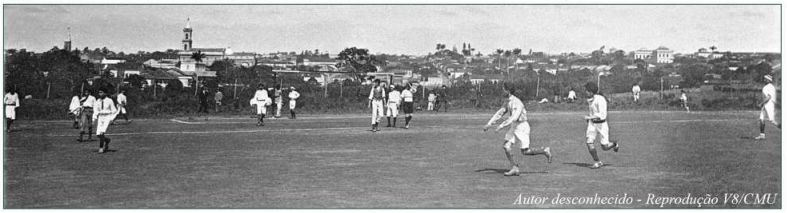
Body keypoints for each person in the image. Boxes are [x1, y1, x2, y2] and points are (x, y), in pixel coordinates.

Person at [484, 83, 553, 176]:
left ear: (508, 91)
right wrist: (489, 124)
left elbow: (514, 117)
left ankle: (544, 150)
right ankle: (514, 168)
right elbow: (500, 113)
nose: (502, 91)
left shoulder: (517, 102)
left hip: (522, 127)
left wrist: (500, 126)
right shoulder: (507, 101)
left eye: (503, 89)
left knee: (525, 151)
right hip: (514, 126)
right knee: (506, 146)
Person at [583, 82, 620, 169]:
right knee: (589, 143)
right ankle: (597, 162)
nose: (585, 92)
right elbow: (592, 112)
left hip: (602, 125)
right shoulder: (589, 99)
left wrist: (590, 117)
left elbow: (602, 115)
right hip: (592, 125)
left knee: (605, 147)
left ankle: (614, 144)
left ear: (591, 91)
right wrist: (589, 119)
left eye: (586, 91)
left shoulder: (601, 100)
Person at [755, 74, 781, 140]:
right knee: (761, 119)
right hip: (767, 105)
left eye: (765, 79)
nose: (764, 80)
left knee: (772, 121)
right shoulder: (771, 86)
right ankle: (762, 135)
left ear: (768, 80)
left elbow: (768, 97)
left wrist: (761, 103)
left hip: (769, 105)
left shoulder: (767, 87)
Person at [93, 88, 118, 153]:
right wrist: (94, 118)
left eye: (101, 92)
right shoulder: (98, 101)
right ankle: (107, 140)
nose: (100, 94)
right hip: (100, 117)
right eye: (99, 92)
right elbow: (95, 110)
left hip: (107, 117)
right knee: (98, 134)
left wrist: (111, 119)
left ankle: (101, 148)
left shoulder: (109, 101)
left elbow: (114, 110)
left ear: (105, 93)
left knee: (102, 133)